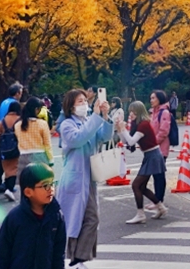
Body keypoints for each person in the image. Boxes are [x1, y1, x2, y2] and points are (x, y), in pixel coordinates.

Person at [57, 88, 113, 267]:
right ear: (71, 106)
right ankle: (73, 258)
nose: (84, 104)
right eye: (79, 101)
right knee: (74, 220)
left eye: (84, 100)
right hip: (74, 179)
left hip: (89, 178)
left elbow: (104, 136)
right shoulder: (67, 125)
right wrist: (96, 117)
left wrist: (105, 116)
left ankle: (79, 257)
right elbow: (78, 139)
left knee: (91, 218)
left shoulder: (89, 121)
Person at [0, 162, 66, 269]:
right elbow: (1, 255)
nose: (51, 189)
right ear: (28, 192)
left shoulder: (56, 216)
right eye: (45, 185)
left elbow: (58, 254)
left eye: (52, 183)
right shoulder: (15, 218)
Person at [115, 101, 167, 224]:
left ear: (138, 112)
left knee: (136, 185)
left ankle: (141, 214)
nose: (131, 114)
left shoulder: (143, 124)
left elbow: (131, 141)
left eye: (133, 111)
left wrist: (123, 129)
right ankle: (160, 207)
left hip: (153, 155)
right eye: (130, 111)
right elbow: (127, 141)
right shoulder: (138, 124)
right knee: (141, 186)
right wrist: (120, 130)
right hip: (150, 155)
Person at [0, 84, 26, 194]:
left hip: (3, 133)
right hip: (13, 137)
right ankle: (8, 186)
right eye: (21, 92)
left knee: (3, 161)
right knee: (13, 164)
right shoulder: (15, 104)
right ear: (17, 93)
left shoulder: (4, 102)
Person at [16, 96, 55, 180]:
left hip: (23, 156)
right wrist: (51, 160)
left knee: (25, 184)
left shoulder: (18, 125)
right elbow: (47, 144)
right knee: (40, 183)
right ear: (36, 109)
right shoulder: (42, 124)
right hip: (39, 156)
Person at [148, 90, 174, 206]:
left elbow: (164, 131)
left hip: (160, 148)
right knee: (156, 175)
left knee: (159, 175)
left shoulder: (164, 113)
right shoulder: (153, 112)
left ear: (159, 99)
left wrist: (153, 142)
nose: (151, 100)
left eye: (153, 98)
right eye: (151, 98)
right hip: (154, 148)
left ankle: (159, 200)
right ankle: (157, 200)